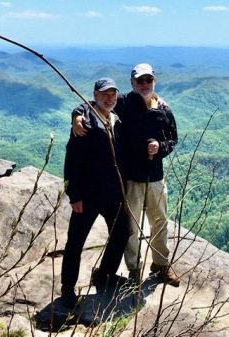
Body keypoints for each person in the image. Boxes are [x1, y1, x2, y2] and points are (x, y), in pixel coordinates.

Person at [73, 64, 179, 287]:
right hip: (131, 177)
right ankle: (135, 268)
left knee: (160, 221)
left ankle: (161, 264)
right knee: (131, 227)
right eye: (139, 81)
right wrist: (77, 115)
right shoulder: (122, 102)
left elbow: (172, 140)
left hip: (156, 176)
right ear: (132, 83)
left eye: (148, 80)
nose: (144, 84)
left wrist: (160, 147)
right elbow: (96, 104)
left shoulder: (164, 110)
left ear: (154, 82)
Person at [61, 77, 131, 309]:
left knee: (122, 232)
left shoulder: (116, 121)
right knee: (76, 242)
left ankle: (105, 274)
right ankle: (67, 288)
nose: (110, 98)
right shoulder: (85, 125)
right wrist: (74, 196)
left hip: (113, 194)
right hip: (88, 196)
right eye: (104, 94)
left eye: (113, 94)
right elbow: (72, 161)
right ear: (95, 95)